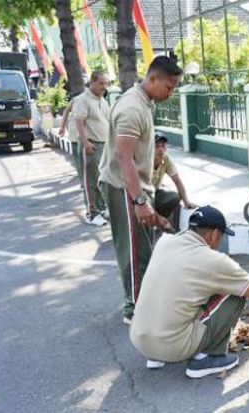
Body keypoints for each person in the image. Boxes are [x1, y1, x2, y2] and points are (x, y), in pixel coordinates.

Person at [130, 205, 249, 378]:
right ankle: (205, 359)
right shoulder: (214, 261)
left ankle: (156, 354)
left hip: (140, 341)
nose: (219, 241)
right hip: (174, 347)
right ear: (213, 234)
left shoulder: (165, 242)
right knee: (237, 293)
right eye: (221, 236)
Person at [98, 56, 183, 325]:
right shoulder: (132, 108)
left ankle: (144, 299)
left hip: (137, 186)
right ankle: (135, 308)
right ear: (153, 78)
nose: (170, 93)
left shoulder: (147, 103)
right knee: (134, 250)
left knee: (144, 245)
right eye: (169, 87)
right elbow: (125, 158)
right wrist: (138, 200)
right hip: (123, 186)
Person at [71, 72, 110, 226]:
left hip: (103, 144)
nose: (104, 87)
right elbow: (79, 121)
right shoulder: (83, 99)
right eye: (101, 83)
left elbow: (108, 120)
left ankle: (100, 209)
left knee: (101, 179)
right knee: (90, 181)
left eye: (106, 83)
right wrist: (86, 143)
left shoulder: (102, 100)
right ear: (92, 82)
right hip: (91, 144)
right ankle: (91, 213)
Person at [152, 132, 197, 230]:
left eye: (163, 146)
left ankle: (163, 219)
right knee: (146, 204)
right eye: (156, 146)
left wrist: (186, 202)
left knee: (175, 197)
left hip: (155, 192)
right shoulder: (146, 161)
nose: (160, 149)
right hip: (143, 195)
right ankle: (156, 220)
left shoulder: (166, 159)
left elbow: (177, 180)